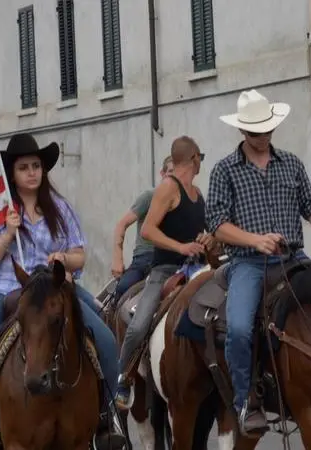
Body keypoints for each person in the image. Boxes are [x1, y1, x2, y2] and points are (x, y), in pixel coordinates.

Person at [0, 133, 126, 450]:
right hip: (8, 287)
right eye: (24, 167)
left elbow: (79, 255)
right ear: (13, 173)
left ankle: (106, 414)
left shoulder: (59, 208)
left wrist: (63, 259)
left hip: (57, 290)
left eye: (36, 166)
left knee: (105, 339)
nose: (32, 172)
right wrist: (7, 234)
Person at [208, 89, 311, 434]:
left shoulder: (292, 163)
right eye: (255, 131)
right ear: (242, 132)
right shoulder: (225, 170)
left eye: (267, 129)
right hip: (249, 264)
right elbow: (218, 224)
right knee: (238, 328)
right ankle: (244, 402)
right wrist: (255, 240)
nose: (262, 136)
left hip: (293, 258)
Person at [114, 136, 211, 409]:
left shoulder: (198, 194)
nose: (200, 163)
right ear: (193, 158)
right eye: (199, 158)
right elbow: (148, 230)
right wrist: (181, 247)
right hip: (165, 269)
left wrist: (205, 239)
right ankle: (123, 376)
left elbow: (198, 229)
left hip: (198, 267)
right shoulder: (168, 188)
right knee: (140, 322)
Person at [110, 155, 174, 303]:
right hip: (145, 258)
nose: (174, 178)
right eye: (171, 172)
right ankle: (111, 317)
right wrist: (117, 259)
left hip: (171, 260)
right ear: (162, 174)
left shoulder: (183, 201)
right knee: (123, 287)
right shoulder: (149, 197)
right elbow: (122, 224)